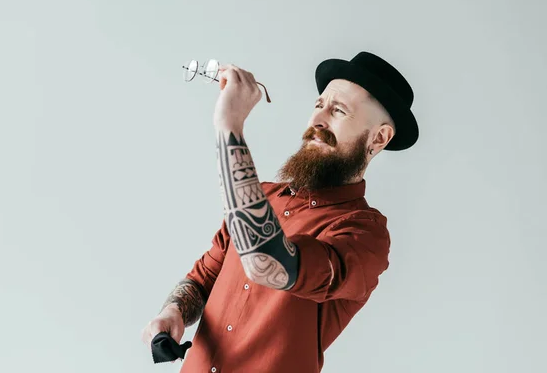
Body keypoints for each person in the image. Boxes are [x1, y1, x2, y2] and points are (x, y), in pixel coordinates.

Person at [142, 51, 419, 372]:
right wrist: (173, 313)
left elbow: (267, 263)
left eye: (339, 110)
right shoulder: (263, 197)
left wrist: (229, 127)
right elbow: (203, 279)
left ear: (379, 137)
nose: (318, 119)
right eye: (319, 105)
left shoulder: (364, 234)